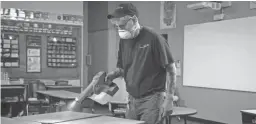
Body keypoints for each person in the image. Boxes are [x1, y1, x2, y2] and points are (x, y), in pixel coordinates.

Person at [106, 3, 177, 124]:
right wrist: (112, 74)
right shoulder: (124, 41)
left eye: (122, 25)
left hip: (152, 99)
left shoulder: (154, 38)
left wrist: (169, 98)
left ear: (134, 20)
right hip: (132, 98)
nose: (120, 29)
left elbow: (171, 69)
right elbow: (124, 68)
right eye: (117, 26)